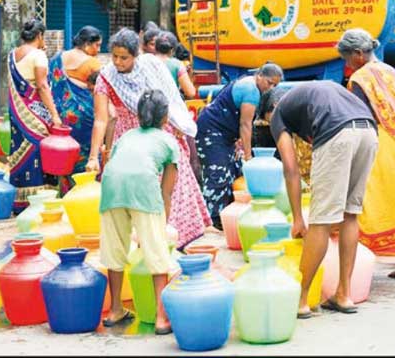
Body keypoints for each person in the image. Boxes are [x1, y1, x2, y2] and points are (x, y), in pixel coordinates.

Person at [85, 28, 211, 248]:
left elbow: (171, 98)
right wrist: (93, 156)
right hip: (129, 140)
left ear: (136, 55)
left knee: (171, 188)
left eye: (124, 57)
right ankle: (140, 241)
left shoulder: (151, 66)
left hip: (161, 133)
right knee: (135, 190)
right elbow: (100, 120)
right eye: (114, 56)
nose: (118, 62)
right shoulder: (106, 77)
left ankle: (174, 240)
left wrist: (178, 123)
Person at [270, 80, 378, 318]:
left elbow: (290, 169)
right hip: (369, 132)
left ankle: (300, 299)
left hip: (338, 132)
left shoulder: (278, 113)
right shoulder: (314, 95)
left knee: (321, 220)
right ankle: (344, 294)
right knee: (350, 214)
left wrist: (298, 218)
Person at [338, 29, 395, 282]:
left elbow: (361, 117)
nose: (347, 64)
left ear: (359, 54)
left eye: (347, 58)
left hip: (382, 144)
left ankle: (362, 261)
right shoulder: (389, 70)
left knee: (371, 202)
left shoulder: (360, 79)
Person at [100, 89, 177, 335]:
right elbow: (166, 191)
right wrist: (161, 225)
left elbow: (112, 163)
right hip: (143, 187)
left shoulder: (127, 136)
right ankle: (161, 317)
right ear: (164, 117)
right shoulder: (167, 141)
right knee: (156, 253)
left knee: (115, 248)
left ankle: (115, 309)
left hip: (111, 186)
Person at [196, 63, 284, 229]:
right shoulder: (250, 90)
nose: (270, 88)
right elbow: (245, 125)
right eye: (269, 83)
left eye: (275, 85)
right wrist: (249, 156)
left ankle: (225, 219)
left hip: (225, 135)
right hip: (212, 132)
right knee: (218, 175)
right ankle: (211, 222)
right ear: (259, 76)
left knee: (232, 172)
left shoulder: (253, 86)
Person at [7, 19, 63, 213]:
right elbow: (42, 86)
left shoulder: (12, 54)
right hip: (35, 113)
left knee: (18, 150)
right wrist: (54, 114)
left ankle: (19, 200)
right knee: (39, 150)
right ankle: (39, 200)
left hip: (17, 112)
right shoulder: (39, 55)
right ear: (40, 36)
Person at [48, 26, 103, 186]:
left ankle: (65, 192)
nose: (98, 50)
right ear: (87, 43)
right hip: (84, 120)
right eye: (97, 45)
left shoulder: (57, 58)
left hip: (60, 117)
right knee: (84, 154)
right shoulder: (93, 64)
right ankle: (83, 190)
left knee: (64, 154)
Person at [154, 31, 196, 99]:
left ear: (155, 47)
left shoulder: (146, 61)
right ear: (172, 50)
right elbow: (191, 93)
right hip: (171, 106)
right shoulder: (177, 65)